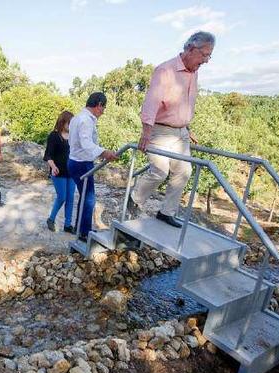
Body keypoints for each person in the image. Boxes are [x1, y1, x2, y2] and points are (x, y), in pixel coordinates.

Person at [129, 31, 215, 228]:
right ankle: (134, 199)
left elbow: (184, 104)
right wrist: (146, 132)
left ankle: (166, 212)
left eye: (210, 56)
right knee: (160, 171)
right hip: (159, 131)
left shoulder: (194, 72)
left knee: (184, 171)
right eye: (205, 55)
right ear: (192, 49)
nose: (207, 60)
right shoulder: (165, 70)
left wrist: (186, 126)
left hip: (181, 132)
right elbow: (151, 102)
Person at [67, 92, 119, 242]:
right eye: (104, 107)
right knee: (89, 199)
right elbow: (86, 144)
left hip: (75, 161)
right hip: (81, 164)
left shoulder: (77, 117)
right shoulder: (86, 120)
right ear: (99, 105)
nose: (103, 111)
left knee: (85, 198)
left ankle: (81, 228)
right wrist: (104, 152)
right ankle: (84, 233)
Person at [43, 110, 75, 234]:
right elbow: (48, 155)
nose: (71, 126)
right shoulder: (54, 136)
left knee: (70, 198)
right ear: (63, 122)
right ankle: (51, 219)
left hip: (71, 172)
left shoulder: (73, 137)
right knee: (62, 197)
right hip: (58, 173)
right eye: (69, 123)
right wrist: (53, 166)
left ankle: (68, 225)